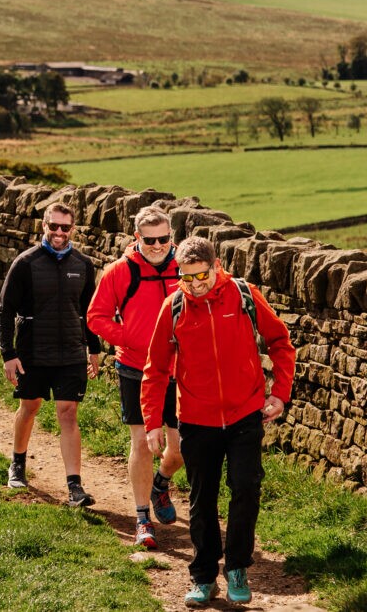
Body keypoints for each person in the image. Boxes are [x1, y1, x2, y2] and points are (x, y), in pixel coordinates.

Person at [141, 236, 295, 606]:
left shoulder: (243, 296)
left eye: (202, 276)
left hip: (245, 414)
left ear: (217, 266)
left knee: (245, 488)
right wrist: (151, 422)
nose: (195, 285)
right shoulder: (173, 307)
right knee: (202, 499)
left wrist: (279, 392)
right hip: (196, 418)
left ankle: (238, 568)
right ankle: (203, 576)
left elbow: (280, 342)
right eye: (187, 277)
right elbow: (156, 368)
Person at [87, 206, 184, 550]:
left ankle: (162, 483)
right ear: (136, 238)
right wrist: (130, 338)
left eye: (164, 239)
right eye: (150, 240)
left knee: (180, 448)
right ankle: (143, 518)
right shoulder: (119, 272)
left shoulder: (185, 267)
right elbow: (95, 317)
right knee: (142, 442)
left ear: (171, 236)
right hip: (135, 368)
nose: (158, 246)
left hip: (179, 370)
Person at [0, 202, 102, 507]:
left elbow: (88, 312)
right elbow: (5, 311)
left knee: (68, 414)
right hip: (32, 352)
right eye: (53, 226)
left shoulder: (83, 264)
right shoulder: (25, 263)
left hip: (70, 352)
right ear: (43, 226)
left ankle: (74, 487)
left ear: (73, 229)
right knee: (30, 407)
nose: (59, 232)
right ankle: (17, 463)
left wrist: (93, 350)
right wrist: (8, 354)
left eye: (65, 227)